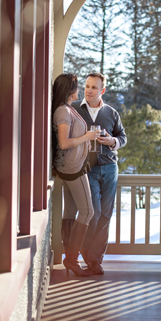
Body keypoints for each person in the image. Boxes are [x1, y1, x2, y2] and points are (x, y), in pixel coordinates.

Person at [72, 72, 127, 275]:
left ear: (102, 90)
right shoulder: (74, 110)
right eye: (87, 86)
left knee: (105, 214)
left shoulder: (111, 113)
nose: (89, 90)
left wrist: (112, 141)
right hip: (88, 168)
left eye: (94, 87)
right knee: (92, 212)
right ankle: (86, 254)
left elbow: (122, 137)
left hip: (110, 167)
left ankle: (95, 260)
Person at [52, 73, 100, 277]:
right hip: (72, 168)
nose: (80, 90)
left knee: (71, 211)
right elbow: (64, 143)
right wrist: (87, 137)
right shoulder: (63, 112)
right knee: (88, 211)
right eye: (78, 87)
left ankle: (70, 258)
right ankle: (71, 259)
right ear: (70, 89)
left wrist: (86, 140)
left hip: (73, 165)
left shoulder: (68, 108)